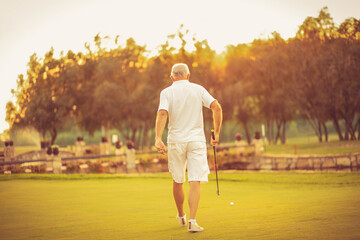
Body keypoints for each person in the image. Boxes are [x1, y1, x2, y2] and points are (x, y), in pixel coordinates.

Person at [155, 63, 222, 232]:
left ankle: (181, 215)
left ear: (172, 77)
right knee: (195, 179)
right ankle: (192, 221)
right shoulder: (198, 89)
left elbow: (162, 113)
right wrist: (217, 134)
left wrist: (157, 138)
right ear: (188, 75)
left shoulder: (166, 92)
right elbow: (217, 107)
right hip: (196, 141)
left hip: (176, 140)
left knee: (178, 180)